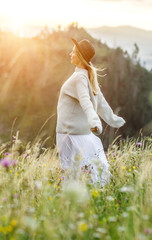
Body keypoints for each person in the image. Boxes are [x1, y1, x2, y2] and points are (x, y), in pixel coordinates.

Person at [56, 38, 126, 188]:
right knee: (84, 173)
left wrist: (95, 122)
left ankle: (69, 205)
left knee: (71, 175)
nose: (70, 54)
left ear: (80, 56)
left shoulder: (80, 77)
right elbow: (100, 102)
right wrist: (113, 120)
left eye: (73, 52)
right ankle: (87, 201)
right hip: (79, 134)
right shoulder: (87, 76)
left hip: (69, 135)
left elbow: (86, 102)